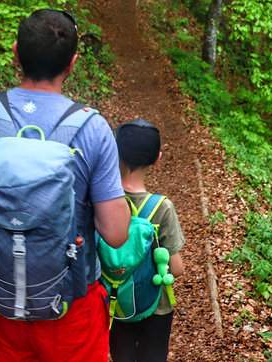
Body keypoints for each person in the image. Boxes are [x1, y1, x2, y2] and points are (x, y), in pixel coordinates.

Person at [0, 8, 130, 362]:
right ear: (72, 63)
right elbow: (116, 233)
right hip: (72, 309)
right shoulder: (92, 129)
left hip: (0, 304)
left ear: (15, 53)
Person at [109, 120, 185, 362]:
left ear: (115, 153)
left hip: (114, 302)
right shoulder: (162, 208)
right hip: (157, 306)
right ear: (157, 159)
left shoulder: (105, 200)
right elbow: (176, 268)